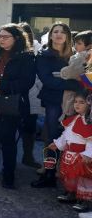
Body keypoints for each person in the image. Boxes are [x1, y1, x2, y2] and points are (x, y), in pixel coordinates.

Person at [0, 23, 36, 188]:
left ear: (16, 38)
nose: (1, 39)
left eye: (5, 37)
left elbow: (26, 83)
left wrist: (1, 84)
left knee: (7, 139)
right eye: (0, 36)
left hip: (12, 103)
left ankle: (8, 175)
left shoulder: (26, 56)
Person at [33, 22, 81, 188]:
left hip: (75, 103)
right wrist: (74, 84)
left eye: (63, 32)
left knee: (74, 137)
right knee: (51, 138)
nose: (59, 34)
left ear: (68, 36)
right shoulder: (43, 55)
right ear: (51, 35)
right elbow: (48, 80)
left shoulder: (75, 55)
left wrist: (69, 80)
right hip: (54, 101)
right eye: (55, 31)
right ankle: (49, 174)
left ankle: (70, 176)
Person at [49, 91, 92, 214]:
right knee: (70, 175)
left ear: (89, 104)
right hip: (70, 153)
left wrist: (88, 154)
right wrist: (57, 144)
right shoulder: (73, 119)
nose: (77, 105)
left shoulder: (89, 124)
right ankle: (71, 193)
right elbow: (66, 134)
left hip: (82, 155)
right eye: (75, 102)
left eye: (81, 102)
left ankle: (85, 200)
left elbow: (90, 141)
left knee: (83, 178)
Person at [18, 22, 44, 168]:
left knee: (29, 127)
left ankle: (28, 156)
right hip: (13, 96)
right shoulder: (10, 49)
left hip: (32, 95)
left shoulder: (37, 49)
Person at [60, 30, 92, 119]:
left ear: (89, 46)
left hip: (79, 92)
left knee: (72, 115)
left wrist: (62, 72)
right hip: (83, 91)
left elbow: (71, 72)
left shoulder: (83, 56)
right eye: (75, 43)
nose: (75, 46)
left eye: (79, 43)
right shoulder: (82, 55)